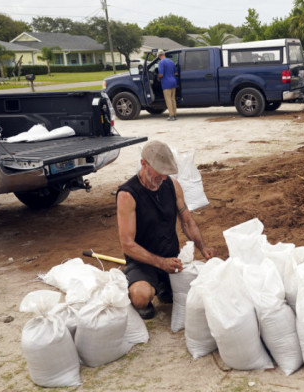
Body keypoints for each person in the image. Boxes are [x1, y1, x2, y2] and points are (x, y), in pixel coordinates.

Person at [117, 140, 215, 319]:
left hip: (173, 260)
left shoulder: (172, 185)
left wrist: (203, 248)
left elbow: (187, 222)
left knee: (209, 286)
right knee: (140, 297)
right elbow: (127, 245)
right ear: (143, 164)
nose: (163, 178)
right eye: (159, 173)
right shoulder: (127, 195)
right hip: (143, 263)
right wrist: (161, 263)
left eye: (166, 174)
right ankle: (149, 286)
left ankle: (164, 287)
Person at [157, 50, 178, 121]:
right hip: (173, 82)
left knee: (168, 100)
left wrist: (158, 78)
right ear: (164, 54)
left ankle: (171, 115)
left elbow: (161, 74)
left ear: (159, 56)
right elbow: (176, 73)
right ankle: (175, 114)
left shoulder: (161, 62)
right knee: (173, 99)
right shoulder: (171, 61)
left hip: (166, 83)